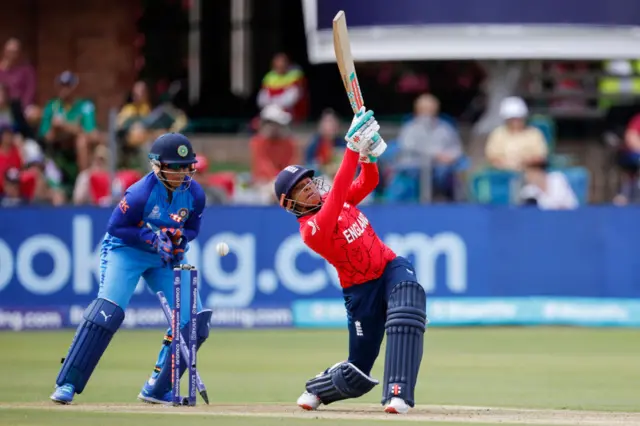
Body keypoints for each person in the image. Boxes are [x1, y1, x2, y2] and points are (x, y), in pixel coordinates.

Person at [274, 108, 427, 415]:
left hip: (388, 267)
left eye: (309, 182)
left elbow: (368, 182)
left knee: (408, 303)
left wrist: (368, 155)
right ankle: (318, 388)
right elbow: (342, 186)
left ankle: (398, 394)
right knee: (357, 374)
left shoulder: (337, 200)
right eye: (302, 190)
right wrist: (353, 147)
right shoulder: (312, 230)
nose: (310, 188)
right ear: (290, 204)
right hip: (360, 292)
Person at [50, 133, 211, 405]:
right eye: (175, 167)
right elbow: (116, 227)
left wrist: (177, 241)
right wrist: (152, 238)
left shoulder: (195, 194)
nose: (182, 173)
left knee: (195, 321)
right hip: (125, 251)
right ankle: (67, 383)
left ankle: (157, 388)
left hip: (162, 258)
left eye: (186, 166)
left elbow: (192, 229)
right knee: (106, 313)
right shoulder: (140, 193)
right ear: (157, 166)